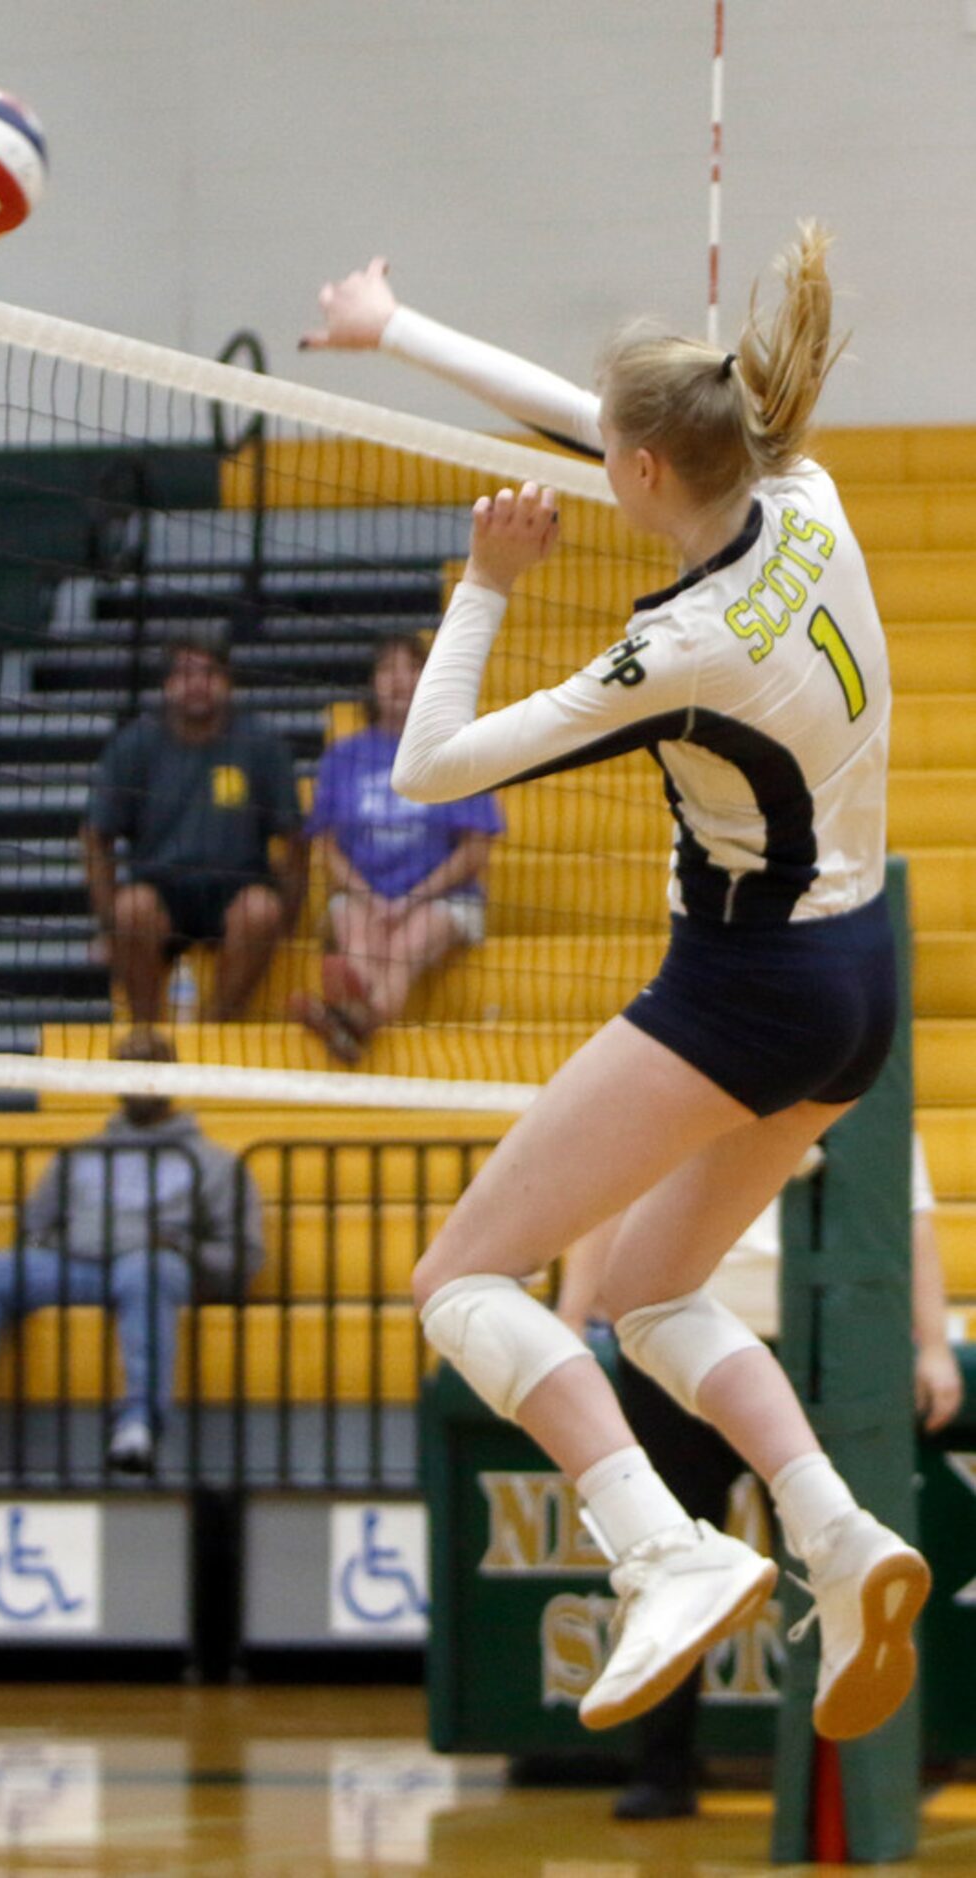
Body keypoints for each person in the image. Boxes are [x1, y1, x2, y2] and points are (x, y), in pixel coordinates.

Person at [305, 224, 929, 1743]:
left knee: (454, 1280)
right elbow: (589, 412)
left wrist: (484, 581)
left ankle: (660, 1545)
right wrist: (399, 330)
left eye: (610, 446)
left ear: (640, 475)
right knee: (649, 1292)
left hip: (747, 981)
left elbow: (430, 763)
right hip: (858, 979)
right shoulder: (801, 488)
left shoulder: (683, 642)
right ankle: (836, 1536)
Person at [555, 1129, 963, 1819]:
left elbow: (909, 1217)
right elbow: (613, 1196)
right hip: (665, 1341)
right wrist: (569, 1314)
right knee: (672, 1563)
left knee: (822, 1566)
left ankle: (840, 1791)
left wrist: (936, 1343)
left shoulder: (861, 1090)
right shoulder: (676, 1068)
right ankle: (662, 1770)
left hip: (808, 1341)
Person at [0, 1029, 265, 1476]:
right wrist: (61, 1245)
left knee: (148, 1270)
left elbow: (244, 1257)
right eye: (129, 1066)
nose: (139, 1077)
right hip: (75, 1267)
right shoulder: (80, 1157)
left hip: (150, 1272)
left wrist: (183, 1248)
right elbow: (34, 1228)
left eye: (151, 1065)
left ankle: (138, 1427)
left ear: (174, 1073)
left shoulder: (214, 1164)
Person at [292, 633, 503, 1062]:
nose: (399, 679)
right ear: (372, 683)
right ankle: (358, 1022)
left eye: (411, 668)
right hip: (362, 895)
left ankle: (350, 1021)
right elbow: (327, 848)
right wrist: (371, 897)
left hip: (445, 898)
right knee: (356, 929)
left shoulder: (457, 747)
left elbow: (474, 852)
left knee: (406, 944)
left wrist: (411, 899)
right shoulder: (343, 756)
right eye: (387, 669)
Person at [83, 633, 305, 1024]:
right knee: (131, 910)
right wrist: (107, 922)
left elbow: (295, 836)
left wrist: (288, 916)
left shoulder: (262, 744)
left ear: (228, 682)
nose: (197, 684)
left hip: (237, 886)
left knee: (261, 910)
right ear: (167, 685)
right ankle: (146, 1031)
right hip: (160, 888)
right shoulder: (134, 744)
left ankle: (214, 1030)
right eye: (185, 673)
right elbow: (95, 836)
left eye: (209, 673)